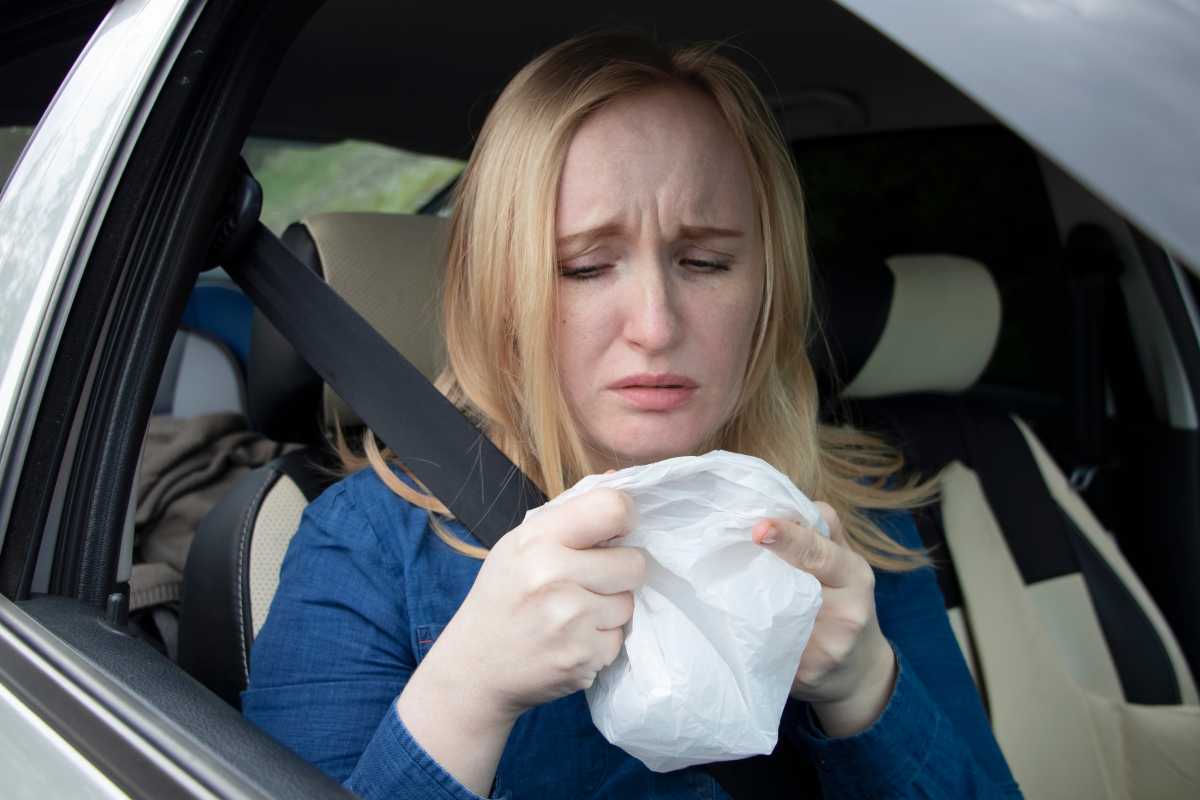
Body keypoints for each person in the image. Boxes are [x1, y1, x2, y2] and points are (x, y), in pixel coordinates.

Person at [242, 31, 1023, 799]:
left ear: (767, 288)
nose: (655, 325)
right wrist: (467, 693)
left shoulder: (847, 529)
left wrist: (862, 691)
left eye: (706, 261)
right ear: (503, 292)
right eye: (584, 267)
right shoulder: (372, 545)